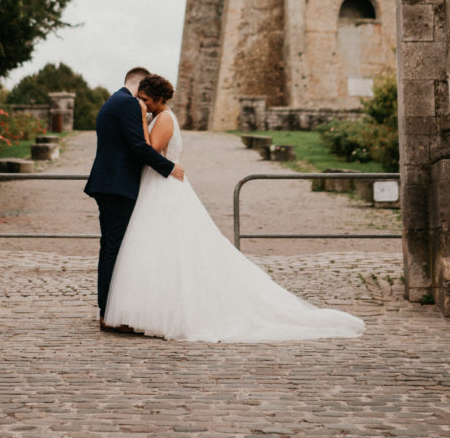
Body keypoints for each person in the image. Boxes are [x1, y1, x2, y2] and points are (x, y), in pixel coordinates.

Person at [104, 74, 366, 343]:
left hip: (162, 187)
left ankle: (168, 312)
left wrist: (141, 123)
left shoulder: (165, 119)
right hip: (155, 186)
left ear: (158, 100)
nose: (141, 103)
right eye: (140, 99)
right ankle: (149, 309)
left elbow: (150, 149)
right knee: (154, 248)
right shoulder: (154, 116)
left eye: (145, 99)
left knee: (174, 247)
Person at [84, 66, 185, 330]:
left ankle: (111, 309)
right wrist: (169, 168)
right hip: (117, 187)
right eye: (143, 97)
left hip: (111, 184)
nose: (145, 104)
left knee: (115, 248)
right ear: (140, 88)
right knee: (114, 250)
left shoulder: (116, 101)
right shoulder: (127, 104)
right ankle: (108, 312)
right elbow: (140, 146)